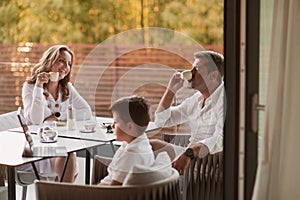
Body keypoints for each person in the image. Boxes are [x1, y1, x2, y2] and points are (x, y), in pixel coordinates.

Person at [20, 45, 92, 182]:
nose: (66, 67)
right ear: (50, 61)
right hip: (36, 147)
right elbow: (36, 120)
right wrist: (39, 87)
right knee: (68, 154)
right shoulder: (30, 87)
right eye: (61, 61)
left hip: (59, 142)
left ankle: (58, 193)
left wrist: (57, 118)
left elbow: (86, 112)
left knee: (68, 153)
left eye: (69, 63)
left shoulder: (66, 89)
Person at [151, 50, 225, 175]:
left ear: (213, 76)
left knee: (154, 169)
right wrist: (171, 91)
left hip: (208, 163)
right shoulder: (197, 99)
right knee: (150, 146)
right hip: (189, 155)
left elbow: (221, 140)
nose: (191, 73)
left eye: (197, 69)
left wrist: (189, 152)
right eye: (192, 68)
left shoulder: (224, 100)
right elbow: (161, 121)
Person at [99, 96, 155, 185]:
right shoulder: (140, 142)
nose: (112, 126)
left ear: (129, 126)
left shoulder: (131, 155)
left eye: (116, 122)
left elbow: (114, 188)